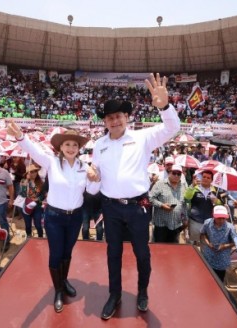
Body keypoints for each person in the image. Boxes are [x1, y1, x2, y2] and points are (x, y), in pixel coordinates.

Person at [90, 73, 180, 319]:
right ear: (105, 122)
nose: (115, 120)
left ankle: (142, 291)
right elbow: (96, 173)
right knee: (113, 253)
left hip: (138, 206)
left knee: (142, 252)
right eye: (110, 117)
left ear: (127, 118)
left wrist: (165, 106)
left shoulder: (142, 137)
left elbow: (173, 128)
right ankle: (114, 294)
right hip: (110, 207)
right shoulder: (99, 145)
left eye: (119, 116)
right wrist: (91, 177)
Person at [7, 122, 100, 313]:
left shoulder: (84, 167)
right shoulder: (52, 162)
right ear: (60, 147)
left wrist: (96, 178)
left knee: (67, 253)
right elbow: (33, 150)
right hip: (54, 217)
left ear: (79, 148)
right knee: (56, 254)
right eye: (67, 144)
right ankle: (58, 291)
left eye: (75, 145)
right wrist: (20, 136)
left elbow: (91, 190)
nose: (71, 148)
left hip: (75, 217)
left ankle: (64, 280)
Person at [149, 164, 187, 243]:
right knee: (159, 249)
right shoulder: (160, 184)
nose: (176, 175)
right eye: (174, 173)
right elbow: (150, 198)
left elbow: (183, 205)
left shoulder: (183, 187)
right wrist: (162, 205)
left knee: (173, 251)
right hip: (161, 225)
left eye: (178, 174)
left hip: (176, 225)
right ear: (169, 173)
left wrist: (185, 219)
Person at [184, 169, 223, 244]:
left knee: (205, 244)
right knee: (191, 244)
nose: (206, 179)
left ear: (211, 180)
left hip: (209, 222)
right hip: (195, 220)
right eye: (204, 177)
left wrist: (216, 201)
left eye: (208, 178)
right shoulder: (195, 188)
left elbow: (220, 205)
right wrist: (192, 186)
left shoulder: (214, 191)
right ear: (201, 178)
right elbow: (186, 198)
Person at [200, 205, 237, 281]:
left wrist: (225, 246)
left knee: (219, 280)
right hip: (208, 256)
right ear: (213, 216)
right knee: (206, 277)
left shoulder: (230, 228)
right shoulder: (207, 223)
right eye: (219, 218)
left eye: (223, 218)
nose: (221, 220)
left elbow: (236, 242)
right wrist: (208, 243)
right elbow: (203, 234)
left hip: (222, 260)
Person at [19, 163, 46, 238]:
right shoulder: (23, 182)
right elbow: (23, 194)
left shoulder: (41, 182)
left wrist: (38, 199)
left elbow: (44, 195)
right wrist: (27, 180)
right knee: (28, 225)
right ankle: (28, 238)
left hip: (38, 206)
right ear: (27, 173)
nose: (33, 173)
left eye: (35, 171)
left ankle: (40, 238)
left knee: (38, 225)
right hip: (26, 206)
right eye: (31, 172)